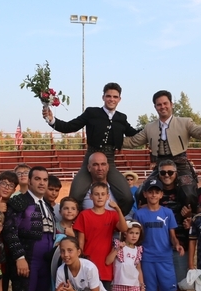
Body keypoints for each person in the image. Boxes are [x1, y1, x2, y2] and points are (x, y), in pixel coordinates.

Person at [43, 82, 139, 214]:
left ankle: (115, 222)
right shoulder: (92, 112)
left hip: (109, 161)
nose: (112, 99)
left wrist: (152, 128)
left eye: (115, 97)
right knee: (75, 196)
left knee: (127, 198)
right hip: (90, 159)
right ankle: (81, 224)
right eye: (108, 96)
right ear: (103, 97)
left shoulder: (121, 118)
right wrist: (52, 120)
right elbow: (70, 126)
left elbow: (135, 134)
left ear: (119, 99)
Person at [124, 90, 201, 210]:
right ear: (155, 107)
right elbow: (132, 142)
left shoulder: (185, 122)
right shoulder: (149, 127)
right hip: (160, 166)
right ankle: (147, 219)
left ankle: (192, 220)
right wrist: (110, 141)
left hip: (181, 165)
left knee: (189, 194)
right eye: (159, 104)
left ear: (171, 104)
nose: (162, 107)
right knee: (140, 193)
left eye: (165, 103)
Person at [2, 166, 56, 291]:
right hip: (28, 259)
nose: (42, 183)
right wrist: (19, 257)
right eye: (38, 179)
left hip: (45, 262)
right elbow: (10, 230)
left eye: (45, 179)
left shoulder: (48, 205)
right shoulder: (20, 201)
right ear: (30, 181)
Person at [136, 159, 194, 291]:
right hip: (150, 255)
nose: (167, 175)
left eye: (170, 172)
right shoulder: (141, 210)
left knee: (178, 289)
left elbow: (178, 228)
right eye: (163, 173)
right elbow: (137, 232)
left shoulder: (183, 193)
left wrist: (189, 218)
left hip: (171, 251)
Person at [73, 182, 129, 291]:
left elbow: (124, 228)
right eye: (96, 194)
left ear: (107, 196)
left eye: (102, 194)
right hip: (87, 264)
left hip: (104, 268)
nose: (99, 197)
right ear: (90, 196)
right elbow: (80, 241)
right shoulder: (84, 215)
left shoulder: (112, 216)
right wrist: (80, 261)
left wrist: (117, 209)